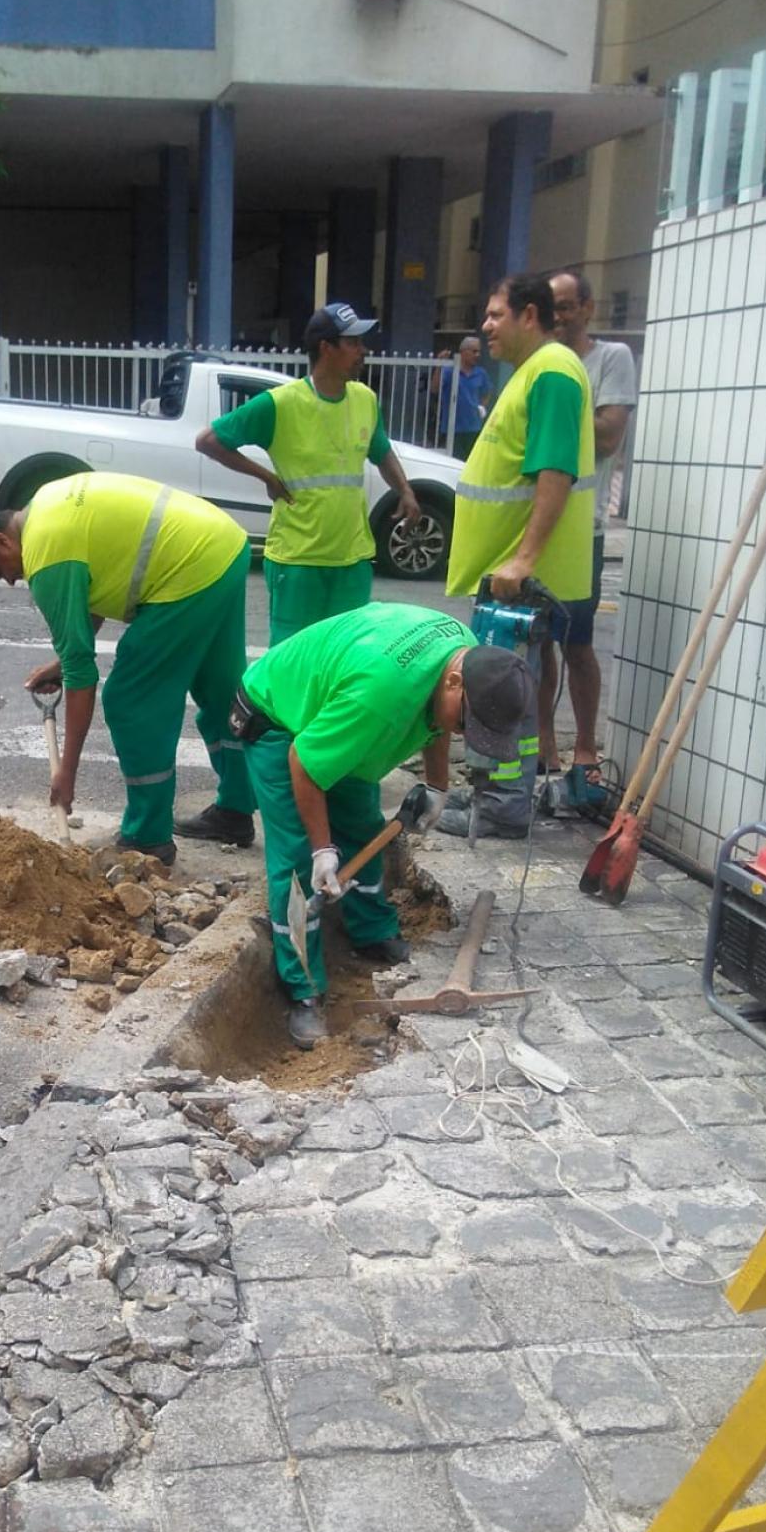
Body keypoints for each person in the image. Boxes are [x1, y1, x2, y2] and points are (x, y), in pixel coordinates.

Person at [234, 602, 535, 1048]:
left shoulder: (466, 655)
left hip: (336, 708)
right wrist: (322, 851)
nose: (466, 731)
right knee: (296, 861)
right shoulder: (378, 699)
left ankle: (372, 934)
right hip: (278, 719)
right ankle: (304, 991)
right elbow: (304, 763)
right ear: (455, 681)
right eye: (469, 722)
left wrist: (437, 785)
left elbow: (437, 720)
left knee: (362, 825)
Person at [0, 471, 255, 863]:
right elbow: (92, 596)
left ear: (1, 541)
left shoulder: (45, 558)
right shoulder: (46, 500)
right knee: (221, 690)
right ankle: (236, 810)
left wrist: (67, 773)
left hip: (189, 570)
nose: (11, 580)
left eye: (1, 570)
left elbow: (84, 677)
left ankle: (148, 836)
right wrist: (61, 664)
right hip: (224, 547)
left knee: (131, 700)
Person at [437, 273, 594, 839]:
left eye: (496, 314)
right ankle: (497, 796)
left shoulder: (551, 372)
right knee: (504, 691)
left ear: (530, 315)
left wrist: (524, 559)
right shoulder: (536, 371)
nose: (485, 325)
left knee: (506, 696)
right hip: (505, 570)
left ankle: (503, 806)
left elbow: (555, 470)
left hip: (518, 574)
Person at [193, 300, 421, 650]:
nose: (364, 351)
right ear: (326, 348)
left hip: (352, 559)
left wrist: (405, 490)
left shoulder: (365, 399)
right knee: (293, 658)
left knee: (344, 656)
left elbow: (382, 451)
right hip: (299, 561)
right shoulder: (280, 403)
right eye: (353, 343)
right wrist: (266, 476)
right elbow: (208, 441)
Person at [545, 268, 638, 807]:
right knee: (535, 644)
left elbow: (608, 437)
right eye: (551, 307)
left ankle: (584, 751)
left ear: (587, 307)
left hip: (584, 525)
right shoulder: (541, 363)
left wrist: (558, 413)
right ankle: (545, 755)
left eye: (566, 306)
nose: (559, 316)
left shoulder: (611, 360)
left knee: (576, 642)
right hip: (537, 524)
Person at [430, 336, 492, 460]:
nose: (477, 355)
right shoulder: (449, 371)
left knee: (471, 462)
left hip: (474, 427)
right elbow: (434, 389)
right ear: (463, 351)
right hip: (452, 428)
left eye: (479, 351)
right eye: (474, 351)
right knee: (453, 462)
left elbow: (488, 391)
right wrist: (439, 365)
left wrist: (482, 406)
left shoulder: (480, 373)